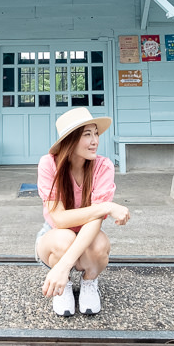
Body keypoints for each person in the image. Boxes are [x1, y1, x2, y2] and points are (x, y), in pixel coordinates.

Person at [35, 107, 130, 316]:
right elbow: (58, 219)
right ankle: (64, 285)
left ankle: (89, 281)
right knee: (64, 239)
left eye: (96, 133)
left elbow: (95, 221)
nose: (95, 140)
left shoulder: (103, 167)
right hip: (55, 234)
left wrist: (64, 265)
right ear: (70, 140)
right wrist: (106, 207)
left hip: (89, 232)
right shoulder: (49, 164)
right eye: (87, 134)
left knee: (100, 246)